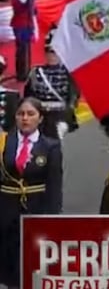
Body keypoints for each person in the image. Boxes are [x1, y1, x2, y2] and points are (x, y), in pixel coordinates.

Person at [0, 98, 63, 287]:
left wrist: (52, 218)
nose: (25, 118)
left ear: (40, 118)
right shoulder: (4, 142)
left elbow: (54, 185)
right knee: (8, 260)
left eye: (30, 114)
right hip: (6, 209)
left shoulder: (50, 146)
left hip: (36, 208)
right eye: (21, 114)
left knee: (31, 262)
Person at [24, 32, 78, 141]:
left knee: (54, 139)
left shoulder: (69, 73)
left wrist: (69, 109)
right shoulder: (36, 72)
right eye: (48, 52)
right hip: (40, 113)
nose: (51, 55)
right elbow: (28, 96)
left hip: (60, 114)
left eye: (54, 52)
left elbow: (74, 96)